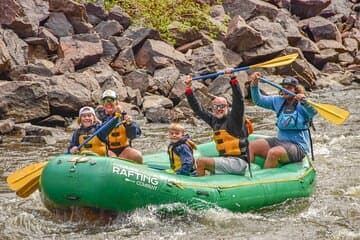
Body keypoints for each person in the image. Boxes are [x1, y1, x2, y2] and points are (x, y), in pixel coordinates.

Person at [184, 69, 250, 176]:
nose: (218, 109)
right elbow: (198, 109)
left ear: (227, 107)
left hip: (238, 162)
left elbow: (239, 101)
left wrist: (233, 79)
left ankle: (200, 188)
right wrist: (188, 90)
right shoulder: (214, 120)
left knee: (201, 161)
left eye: (221, 106)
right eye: (215, 107)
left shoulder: (235, 119)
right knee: (195, 166)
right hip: (225, 161)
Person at [249, 72, 317, 168]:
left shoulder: (303, 104)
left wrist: (305, 102)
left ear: (296, 90)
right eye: (284, 87)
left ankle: (265, 180)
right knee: (252, 146)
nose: (285, 90)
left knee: (273, 152)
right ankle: (248, 175)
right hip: (281, 141)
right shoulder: (277, 100)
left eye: (289, 88)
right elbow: (258, 100)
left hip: (298, 146)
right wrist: (254, 85)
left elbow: (313, 113)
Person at [96, 90, 143, 164]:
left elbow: (133, 135)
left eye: (111, 100)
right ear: (102, 103)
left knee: (137, 156)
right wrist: (114, 116)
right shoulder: (98, 118)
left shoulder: (124, 115)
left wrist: (130, 125)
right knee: (112, 160)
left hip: (124, 149)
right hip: (107, 150)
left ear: (116, 102)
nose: (108, 103)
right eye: (105, 100)